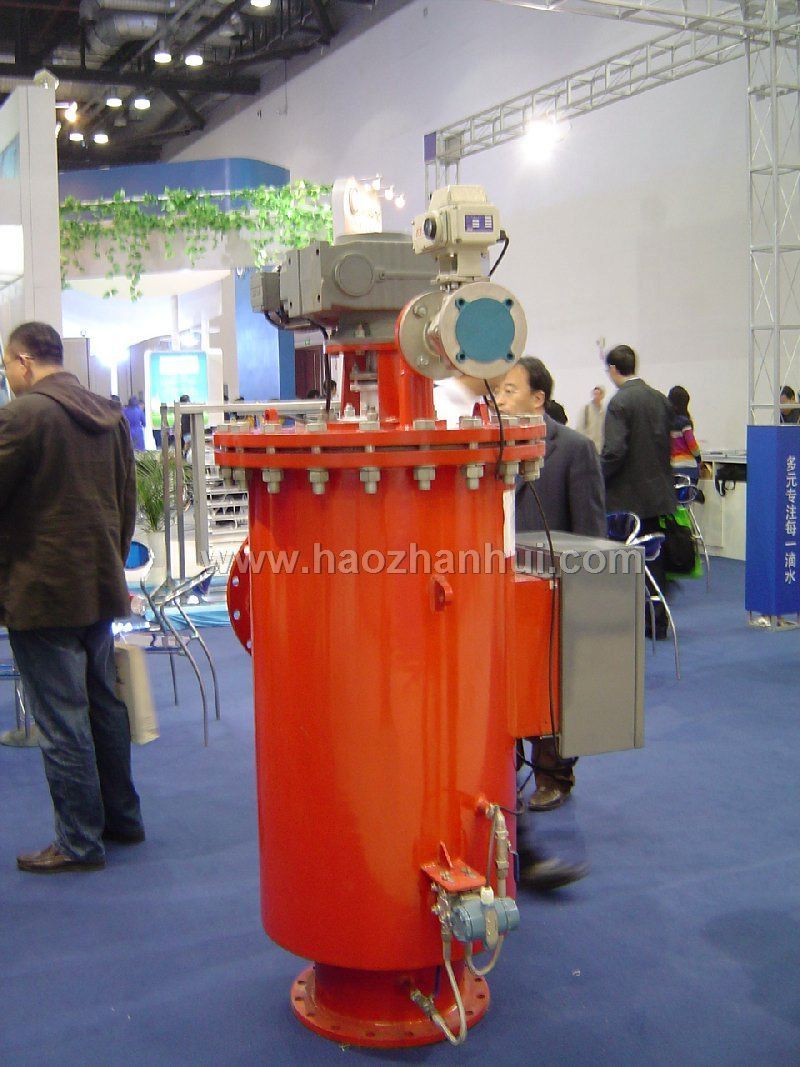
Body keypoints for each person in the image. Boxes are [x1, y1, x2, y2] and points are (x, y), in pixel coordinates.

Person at [0, 321, 144, 873]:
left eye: (7, 367)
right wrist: (111, 561)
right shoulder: (109, 414)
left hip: (41, 591)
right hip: (99, 583)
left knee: (62, 719)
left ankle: (79, 842)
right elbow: (126, 502)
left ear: (22, 361)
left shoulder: (22, 416)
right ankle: (121, 819)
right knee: (103, 706)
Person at [497, 356, 603, 891]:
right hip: (502, 589)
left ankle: (554, 776)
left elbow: (589, 531)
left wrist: (586, 598)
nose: (500, 397)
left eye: (509, 389)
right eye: (498, 389)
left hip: (556, 590)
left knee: (555, 689)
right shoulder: (490, 445)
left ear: (538, 398)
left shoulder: (574, 450)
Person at [602, 344, 676, 637]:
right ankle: (657, 621)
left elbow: (614, 451)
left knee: (624, 561)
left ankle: (627, 623)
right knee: (654, 561)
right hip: (658, 493)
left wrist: (597, 477)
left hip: (627, 497)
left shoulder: (620, 403)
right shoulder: (660, 399)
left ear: (612, 369)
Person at [668, 386, 701, 483]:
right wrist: (699, 458)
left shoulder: (665, 422)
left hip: (670, 468)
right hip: (688, 468)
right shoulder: (684, 422)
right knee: (689, 492)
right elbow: (692, 445)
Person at [579, 385, 606, 453]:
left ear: (602, 396)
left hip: (600, 448)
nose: (596, 396)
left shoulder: (604, 411)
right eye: (595, 394)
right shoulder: (586, 409)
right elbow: (580, 428)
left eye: (598, 394)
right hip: (588, 447)